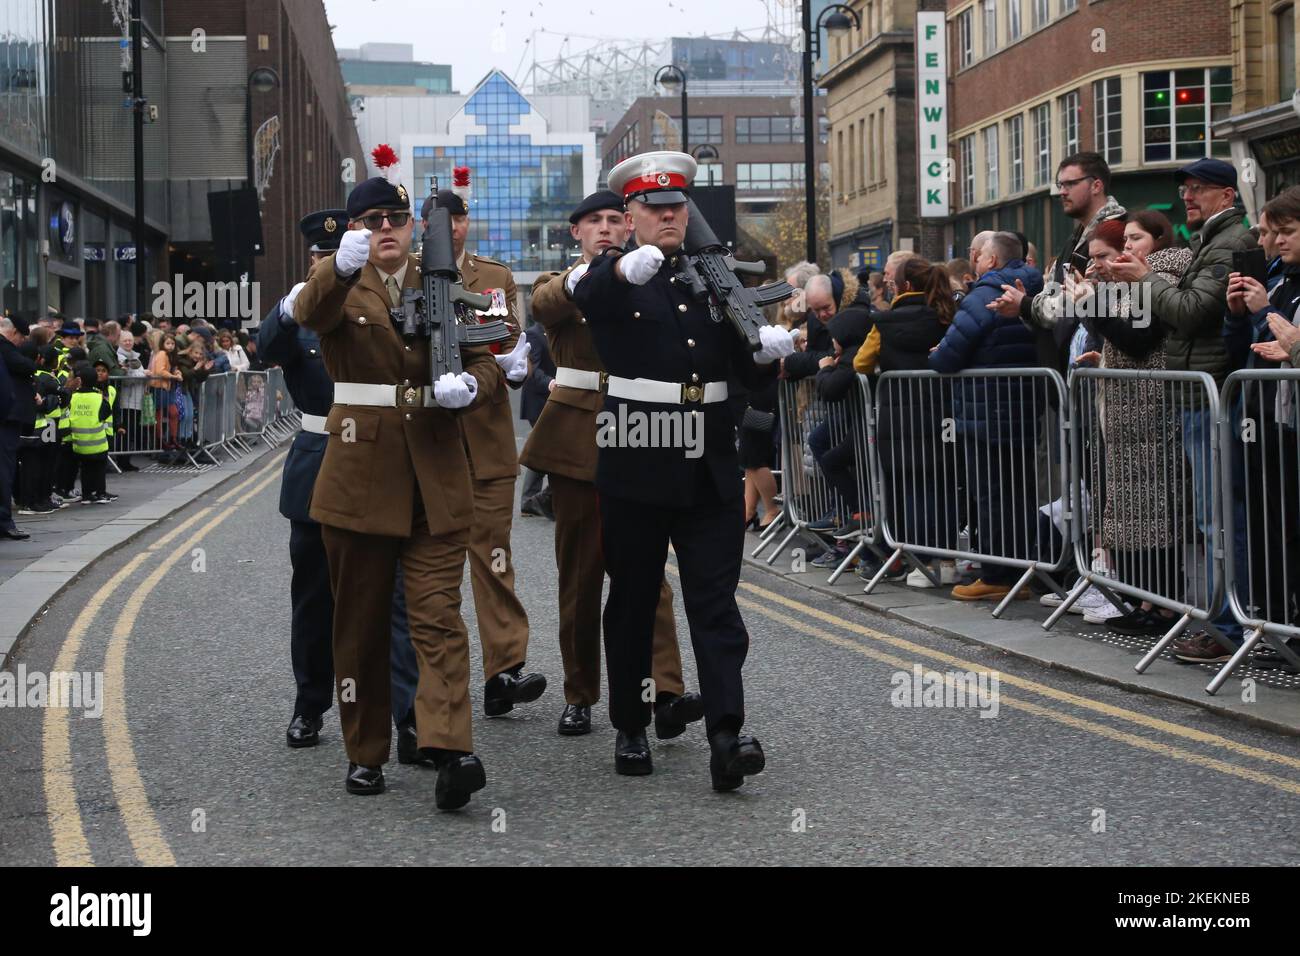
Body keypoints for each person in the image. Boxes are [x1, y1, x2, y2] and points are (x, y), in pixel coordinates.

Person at [572, 150, 794, 789]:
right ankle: (631, 722)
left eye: (676, 206)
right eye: (653, 207)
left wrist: (765, 354)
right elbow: (587, 297)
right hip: (638, 452)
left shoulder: (716, 277)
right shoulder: (615, 273)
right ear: (631, 215)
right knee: (635, 599)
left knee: (715, 603)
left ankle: (727, 732)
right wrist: (620, 271)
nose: (668, 215)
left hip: (708, 459)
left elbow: (739, 367)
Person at [293, 165, 503, 808]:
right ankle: (365, 750)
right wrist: (336, 263)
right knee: (358, 626)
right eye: (371, 221)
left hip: (436, 474)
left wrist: (470, 387)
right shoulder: (341, 282)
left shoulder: (441, 280)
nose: (386, 230)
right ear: (356, 229)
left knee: (437, 618)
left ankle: (450, 748)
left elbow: (485, 360)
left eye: (396, 220)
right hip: (360, 477)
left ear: (413, 227)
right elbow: (307, 312)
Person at [522, 188, 704, 739]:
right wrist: (601, 275)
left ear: (629, 227)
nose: (604, 228)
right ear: (575, 233)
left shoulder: (656, 280)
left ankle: (665, 692)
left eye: (612, 220)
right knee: (580, 576)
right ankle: (581, 693)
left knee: (649, 576)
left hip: (640, 432)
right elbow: (549, 303)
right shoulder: (562, 282)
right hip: (578, 439)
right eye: (591, 221)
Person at [260, 208, 426, 759]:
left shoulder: (385, 301)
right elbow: (267, 347)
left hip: (382, 462)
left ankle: (409, 715)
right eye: (321, 256)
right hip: (318, 462)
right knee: (315, 599)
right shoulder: (307, 311)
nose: (330, 262)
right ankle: (311, 702)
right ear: (314, 259)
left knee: (398, 598)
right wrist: (288, 309)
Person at [1102, 157, 1256, 663]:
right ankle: (1224, 620)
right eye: (1186, 188)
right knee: (1212, 517)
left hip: (1211, 394)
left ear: (1227, 196)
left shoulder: (1230, 243)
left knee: (1219, 519)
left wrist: (1146, 278)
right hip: (1194, 396)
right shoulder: (1207, 242)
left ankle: (1229, 627)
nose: (1188, 195)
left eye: (1199, 188)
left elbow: (1189, 314)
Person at [418, 176, 545, 717]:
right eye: (442, 220)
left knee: (493, 559)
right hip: (428, 443)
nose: (453, 227)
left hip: (487, 440)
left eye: (460, 218)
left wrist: (516, 364)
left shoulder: (493, 276)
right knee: (430, 572)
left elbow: (507, 341)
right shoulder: (405, 274)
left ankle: (504, 670)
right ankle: (431, 685)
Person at [1072, 213, 1192, 632]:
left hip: (1151, 408)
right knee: (1129, 512)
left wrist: (1091, 304)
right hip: (1126, 412)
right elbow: (1117, 335)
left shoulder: (1165, 274)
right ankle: (1143, 601)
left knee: (1155, 512)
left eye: (1135, 238)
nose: (1128, 247)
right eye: (1124, 239)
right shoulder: (1132, 280)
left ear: (1158, 240)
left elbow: (1140, 340)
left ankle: (1165, 604)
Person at [929, 231, 1044, 601]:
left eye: (978, 257)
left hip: (986, 412)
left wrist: (937, 352)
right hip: (1023, 409)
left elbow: (948, 357)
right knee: (1019, 493)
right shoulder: (1036, 289)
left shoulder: (983, 294)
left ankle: (996, 573)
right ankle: (1023, 570)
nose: (974, 263)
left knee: (992, 495)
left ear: (992, 260)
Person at [990, 152, 1126, 376]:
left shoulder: (1116, 233)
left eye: (1070, 184)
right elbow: (1052, 295)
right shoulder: (1076, 239)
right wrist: (1031, 305)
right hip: (1070, 374)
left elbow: (1072, 305)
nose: (1062, 192)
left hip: (1097, 375)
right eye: (1060, 185)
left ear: (1097, 185)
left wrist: (1024, 304)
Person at [873, 257, 958, 588]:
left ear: (904, 286)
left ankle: (921, 563)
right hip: (941, 413)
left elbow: (863, 362)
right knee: (944, 485)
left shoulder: (883, 322)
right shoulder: (945, 316)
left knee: (912, 489)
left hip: (899, 419)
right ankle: (948, 560)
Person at [0, 316, 34, 539]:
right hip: (5, 419)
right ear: (13, 333)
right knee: (4, 470)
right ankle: (4, 521)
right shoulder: (4, 347)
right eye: (21, 338)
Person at [517, 320, 554, 519]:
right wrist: (551, 382)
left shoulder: (555, 331)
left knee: (545, 450)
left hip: (552, 401)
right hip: (538, 402)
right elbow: (532, 370)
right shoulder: (533, 334)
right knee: (545, 450)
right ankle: (531, 500)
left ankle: (531, 500)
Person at [67, 362, 112, 505]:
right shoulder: (98, 398)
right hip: (97, 442)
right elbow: (106, 412)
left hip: (79, 442)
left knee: (85, 469)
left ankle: (86, 495)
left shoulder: (73, 397)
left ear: (80, 380)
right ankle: (100, 493)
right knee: (99, 469)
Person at [114, 330, 146, 472]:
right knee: (126, 432)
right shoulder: (120, 357)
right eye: (125, 340)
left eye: (130, 340)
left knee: (132, 432)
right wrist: (143, 374)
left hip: (136, 400)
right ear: (119, 341)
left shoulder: (135, 356)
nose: (128, 342)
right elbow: (128, 379)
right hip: (126, 401)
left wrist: (141, 374)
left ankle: (126, 460)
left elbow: (136, 374)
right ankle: (123, 461)